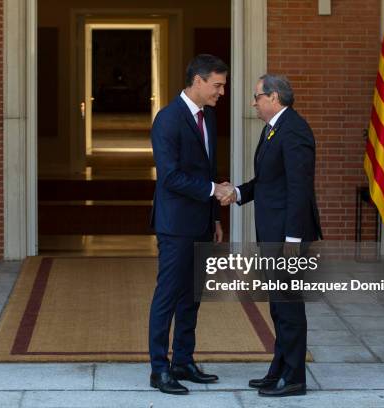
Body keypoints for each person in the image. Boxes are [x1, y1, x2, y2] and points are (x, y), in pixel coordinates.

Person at [221, 74, 322, 397]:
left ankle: (294, 378)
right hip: (272, 234)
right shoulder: (273, 129)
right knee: (279, 306)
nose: (254, 102)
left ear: (274, 97)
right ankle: (279, 368)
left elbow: (299, 189)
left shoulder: (294, 131)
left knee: (289, 307)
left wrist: (293, 241)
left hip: (286, 238)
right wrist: (237, 192)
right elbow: (267, 181)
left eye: (257, 96)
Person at [148, 54, 234, 395]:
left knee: (192, 298)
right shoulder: (167, 120)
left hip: (201, 222)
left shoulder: (208, 118)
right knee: (167, 296)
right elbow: (170, 177)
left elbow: (208, 170)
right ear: (197, 81)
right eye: (217, 85)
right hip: (175, 225)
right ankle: (159, 369)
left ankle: (183, 360)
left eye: (222, 85)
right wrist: (215, 191)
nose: (221, 92)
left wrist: (214, 216)